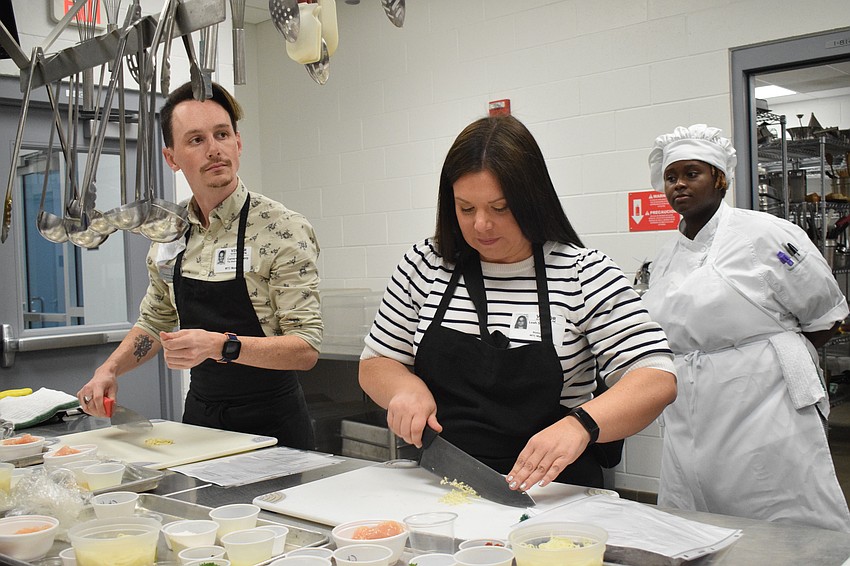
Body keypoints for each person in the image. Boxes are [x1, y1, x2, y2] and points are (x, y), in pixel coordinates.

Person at [359, 115, 677, 490]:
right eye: (465, 208)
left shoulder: (582, 271)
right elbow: (376, 363)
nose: (481, 225)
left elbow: (655, 377)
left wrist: (582, 425)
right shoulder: (425, 264)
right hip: (441, 486)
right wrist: (403, 388)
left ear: (532, 200)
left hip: (554, 492)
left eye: (500, 208)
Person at [77, 82, 322, 450]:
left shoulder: (283, 229)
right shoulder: (170, 233)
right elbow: (156, 320)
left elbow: (305, 349)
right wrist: (109, 369)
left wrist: (222, 346)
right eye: (195, 140)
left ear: (238, 143)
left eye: (222, 134)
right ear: (171, 157)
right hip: (201, 423)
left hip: (273, 426)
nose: (214, 149)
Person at [641, 124, 850, 532]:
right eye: (671, 177)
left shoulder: (765, 234)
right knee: (695, 511)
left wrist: (772, 358)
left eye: (691, 173)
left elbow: (827, 314)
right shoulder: (667, 254)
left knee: (777, 507)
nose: (679, 185)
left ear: (720, 179)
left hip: (763, 401)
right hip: (691, 404)